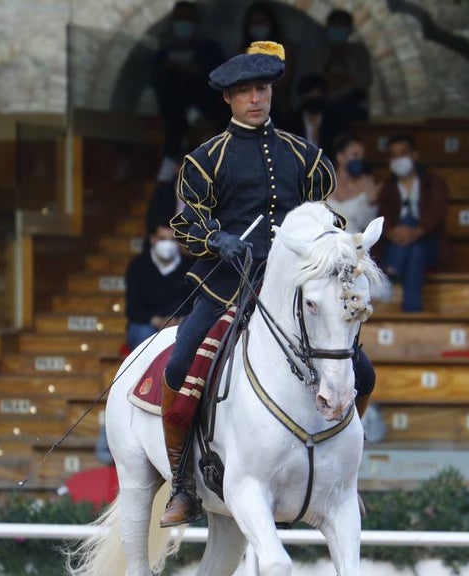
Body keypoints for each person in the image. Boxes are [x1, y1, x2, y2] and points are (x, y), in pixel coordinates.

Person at [162, 41, 373, 527]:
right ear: (228, 100)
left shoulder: (307, 155)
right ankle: (182, 484)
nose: (255, 99)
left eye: (261, 89)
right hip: (226, 285)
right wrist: (218, 239)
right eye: (244, 92)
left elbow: (326, 218)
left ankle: (344, 476)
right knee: (179, 366)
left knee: (363, 373)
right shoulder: (203, 159)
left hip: (297, 289)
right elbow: (185, 225)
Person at [150, 1, 226, 182]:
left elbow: (219, 77)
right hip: (175, 107)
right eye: (180, 19)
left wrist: (192, 69)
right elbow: (154, 80)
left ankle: (172, 152)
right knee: (172, 85)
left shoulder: (209, 49)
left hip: (206, 102)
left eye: (188, 19)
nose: (184, 23)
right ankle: (187, 118)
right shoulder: (164, 52)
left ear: (196, 22)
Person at [376, 134, 449, 312]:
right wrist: (393, 233)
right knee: (415, 253)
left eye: (403, 153)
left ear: (414, 155)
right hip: (398, 243)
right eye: (393, 155)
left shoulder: (434, 183)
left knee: (412, 228)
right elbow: (382, 218)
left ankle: (391, 270)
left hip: (429, 241)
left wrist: (415, 232)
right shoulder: (387, 188)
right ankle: (412, 308)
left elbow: (437, 216)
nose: (398, 159)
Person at [124, 220, 193, 352]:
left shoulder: (190, 266)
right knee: (142, 333)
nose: (167, 244)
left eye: (172, 240)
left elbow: (195, 302)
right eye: (162, 239)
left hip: (181, 322)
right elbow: (133, 310)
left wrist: (179, 320)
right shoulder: (138, 266)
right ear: (153, 239)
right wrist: (159, 321)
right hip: (149, 323)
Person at [305, 8, 372, 125]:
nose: (337, 29)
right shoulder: (318, 54)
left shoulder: (359, 52)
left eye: (342, 25)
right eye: (334, 25)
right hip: (323, 107)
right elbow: (314, 82)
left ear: (350, 29)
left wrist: (340, 80)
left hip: (352, 106)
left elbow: (363, 82)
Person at [327, 132, 379, 234]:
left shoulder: (366, 183)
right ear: (340, 157)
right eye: (355, 155)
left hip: (354, 242)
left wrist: (372, 201)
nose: (359, 160)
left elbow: (368, 225)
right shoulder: (323, 182)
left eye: (362, 156)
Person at [277, 73, 343, 154]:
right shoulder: (290, 121)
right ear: (301, 96)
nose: (313, 96)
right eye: (309, 93)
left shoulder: (334, 120)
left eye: (317, 93)